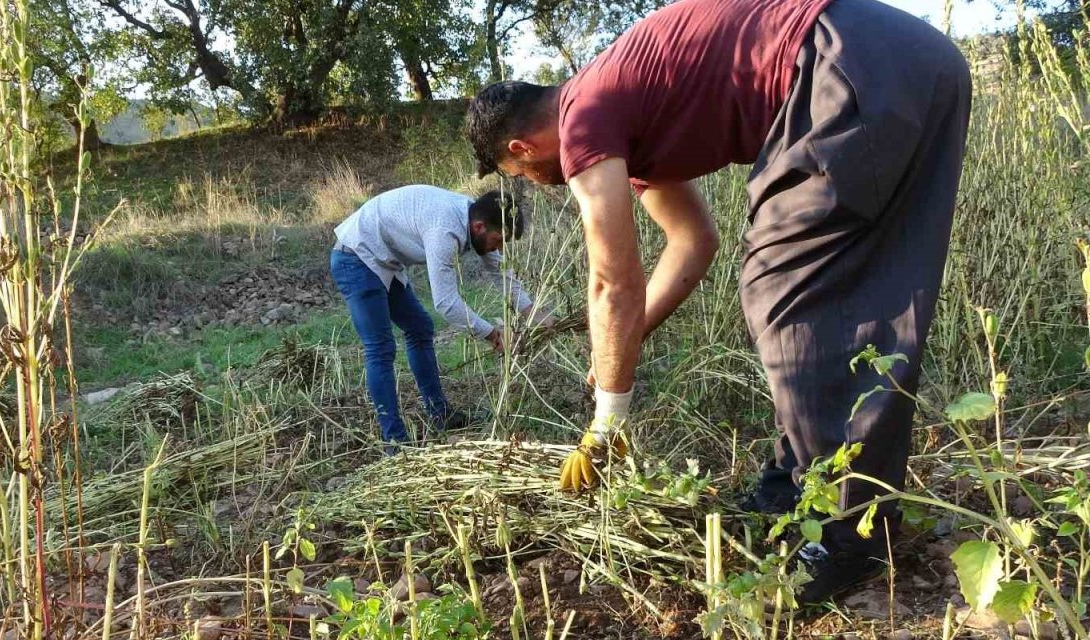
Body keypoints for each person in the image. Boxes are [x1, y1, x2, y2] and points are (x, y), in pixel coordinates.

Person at [465, 0, 971, 605]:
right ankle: (797, 489)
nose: (533, 184)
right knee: (866, 279)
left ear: (521, 149)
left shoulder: (582, 119)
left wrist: (607, 418)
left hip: (841, 59)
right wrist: (624, 344)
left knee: (784, 282)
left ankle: (847, 534)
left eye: (519, 176)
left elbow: (611, 282)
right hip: (914, 62)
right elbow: (691, 241)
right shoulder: (621, 107)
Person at [331, 186, 549, 454]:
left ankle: (440, 414)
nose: (499, 248)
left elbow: (501, 273)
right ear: (480, 227)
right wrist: (493, 334)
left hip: (383, 260)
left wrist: (534, 313)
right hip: (355, 257)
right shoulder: (445, 229)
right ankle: (395, 442)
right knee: (380, 348)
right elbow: (446, 303)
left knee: (420, 327)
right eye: (499, 240)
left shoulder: (476, 219)